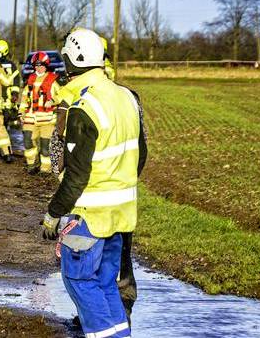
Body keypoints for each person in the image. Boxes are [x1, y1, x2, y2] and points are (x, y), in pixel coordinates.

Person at [40, 28, 147, 338]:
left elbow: (76, 174)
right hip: (122, 214)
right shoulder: (126, 96)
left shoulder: (84, 107)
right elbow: (141, 153)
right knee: (104, 282)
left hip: (91, 216)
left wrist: (54, 213)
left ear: (72, 62)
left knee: (80, 280)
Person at [22, 51, 59, 174]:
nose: (39, 67)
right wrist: (21, 112)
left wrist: (53, 101)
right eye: (36, 65)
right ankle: (32, 164)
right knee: (28, 141)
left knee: (45, 146)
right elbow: (24, 98)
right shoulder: (30, 80)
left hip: (47, 120)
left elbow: (61, 97)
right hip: (30, 118)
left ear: (46, 65)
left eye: (41, 65)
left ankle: (45, 169)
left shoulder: (52, 81)